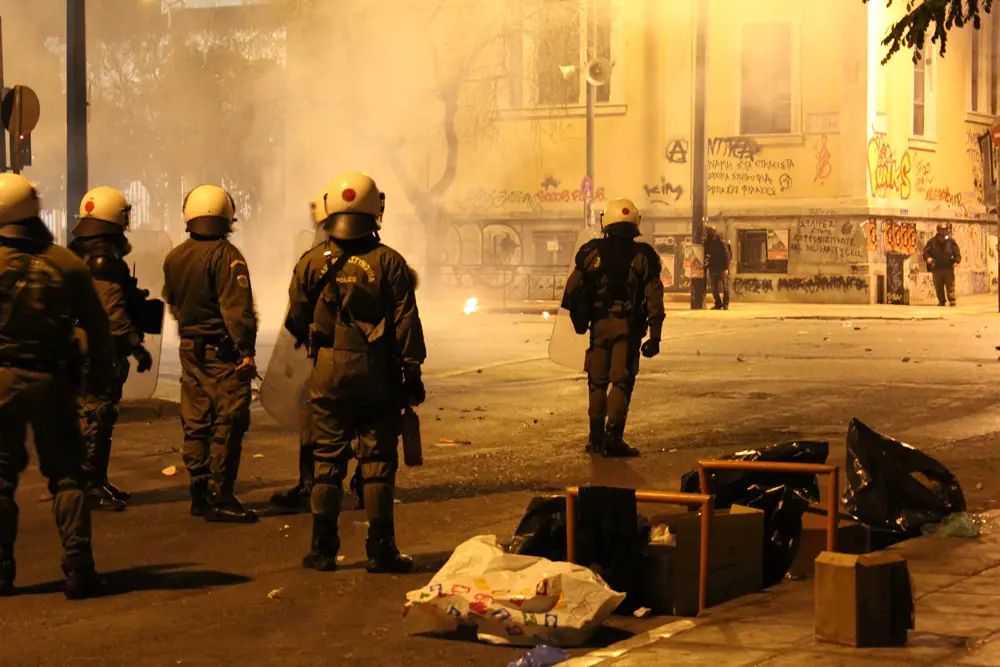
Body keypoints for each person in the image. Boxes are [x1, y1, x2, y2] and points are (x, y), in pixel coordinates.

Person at [285, 171, 425, 573]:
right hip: (377, 373)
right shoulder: (390, 262)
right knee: (377, 462)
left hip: (328, 372)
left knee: (326, 459)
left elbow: (295, 317)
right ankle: (381, 550)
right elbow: (406, 323)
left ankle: (323, 550)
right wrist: (411, 374)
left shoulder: (312, 261)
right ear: (374, 211)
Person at [0, 174, 117, 599]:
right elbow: (98, 328)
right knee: (68, 476)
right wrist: (101, 376)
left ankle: (1, 571)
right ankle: (80, 569)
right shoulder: (67, 263)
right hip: (51, 381)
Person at [162, 185, 259, 523]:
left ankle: (199, 492)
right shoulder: (227, 256)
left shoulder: (175, 257)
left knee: (196, 421)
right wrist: (245, 351)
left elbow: (172, 303)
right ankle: (222, 495)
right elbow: (237, 311)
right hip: (223, 353)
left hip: (190, 350)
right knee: (228, 421)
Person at [69, 186, 156, 512]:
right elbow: (111, 314)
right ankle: (89, 485)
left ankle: (96, 480)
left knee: (94, 416)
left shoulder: (80, 252)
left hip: (81, 346)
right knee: (96, 417)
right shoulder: (103, 260)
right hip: (98, 351)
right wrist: (136, 346)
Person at [560, 197, 665, 457]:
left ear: (606, 221)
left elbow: (571, 292)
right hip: (627, 328)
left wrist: (579, 321)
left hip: (600, 326)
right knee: (621, 381)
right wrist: (655, 335)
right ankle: (613, 438)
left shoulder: (591, 252)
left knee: (596, 382)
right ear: (635, 223)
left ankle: (596, 439)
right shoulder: (644, 256)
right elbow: (654, 296)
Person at [923, 223, 962, 307]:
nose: (944, 232)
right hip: (937, 267)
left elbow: (956, 251)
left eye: (945, 230)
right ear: (938, 230)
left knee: (950, 285)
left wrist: (956, 261)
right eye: (942, 230)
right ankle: (941, 301)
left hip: (948, 267)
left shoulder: (950, 241)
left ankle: (952, 300)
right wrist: (928, 258)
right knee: (938, 286)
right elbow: (926, 251)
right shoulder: (932, 241)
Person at [704, 226, 731, 310]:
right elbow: (705, 254)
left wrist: (726, 268)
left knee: (725, 287)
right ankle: (718, 303)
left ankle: (725, 304)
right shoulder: (707, 242)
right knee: (714, 288)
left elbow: (726, 255)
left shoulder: (721, 242)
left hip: (721, 268)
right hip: (713, 267)